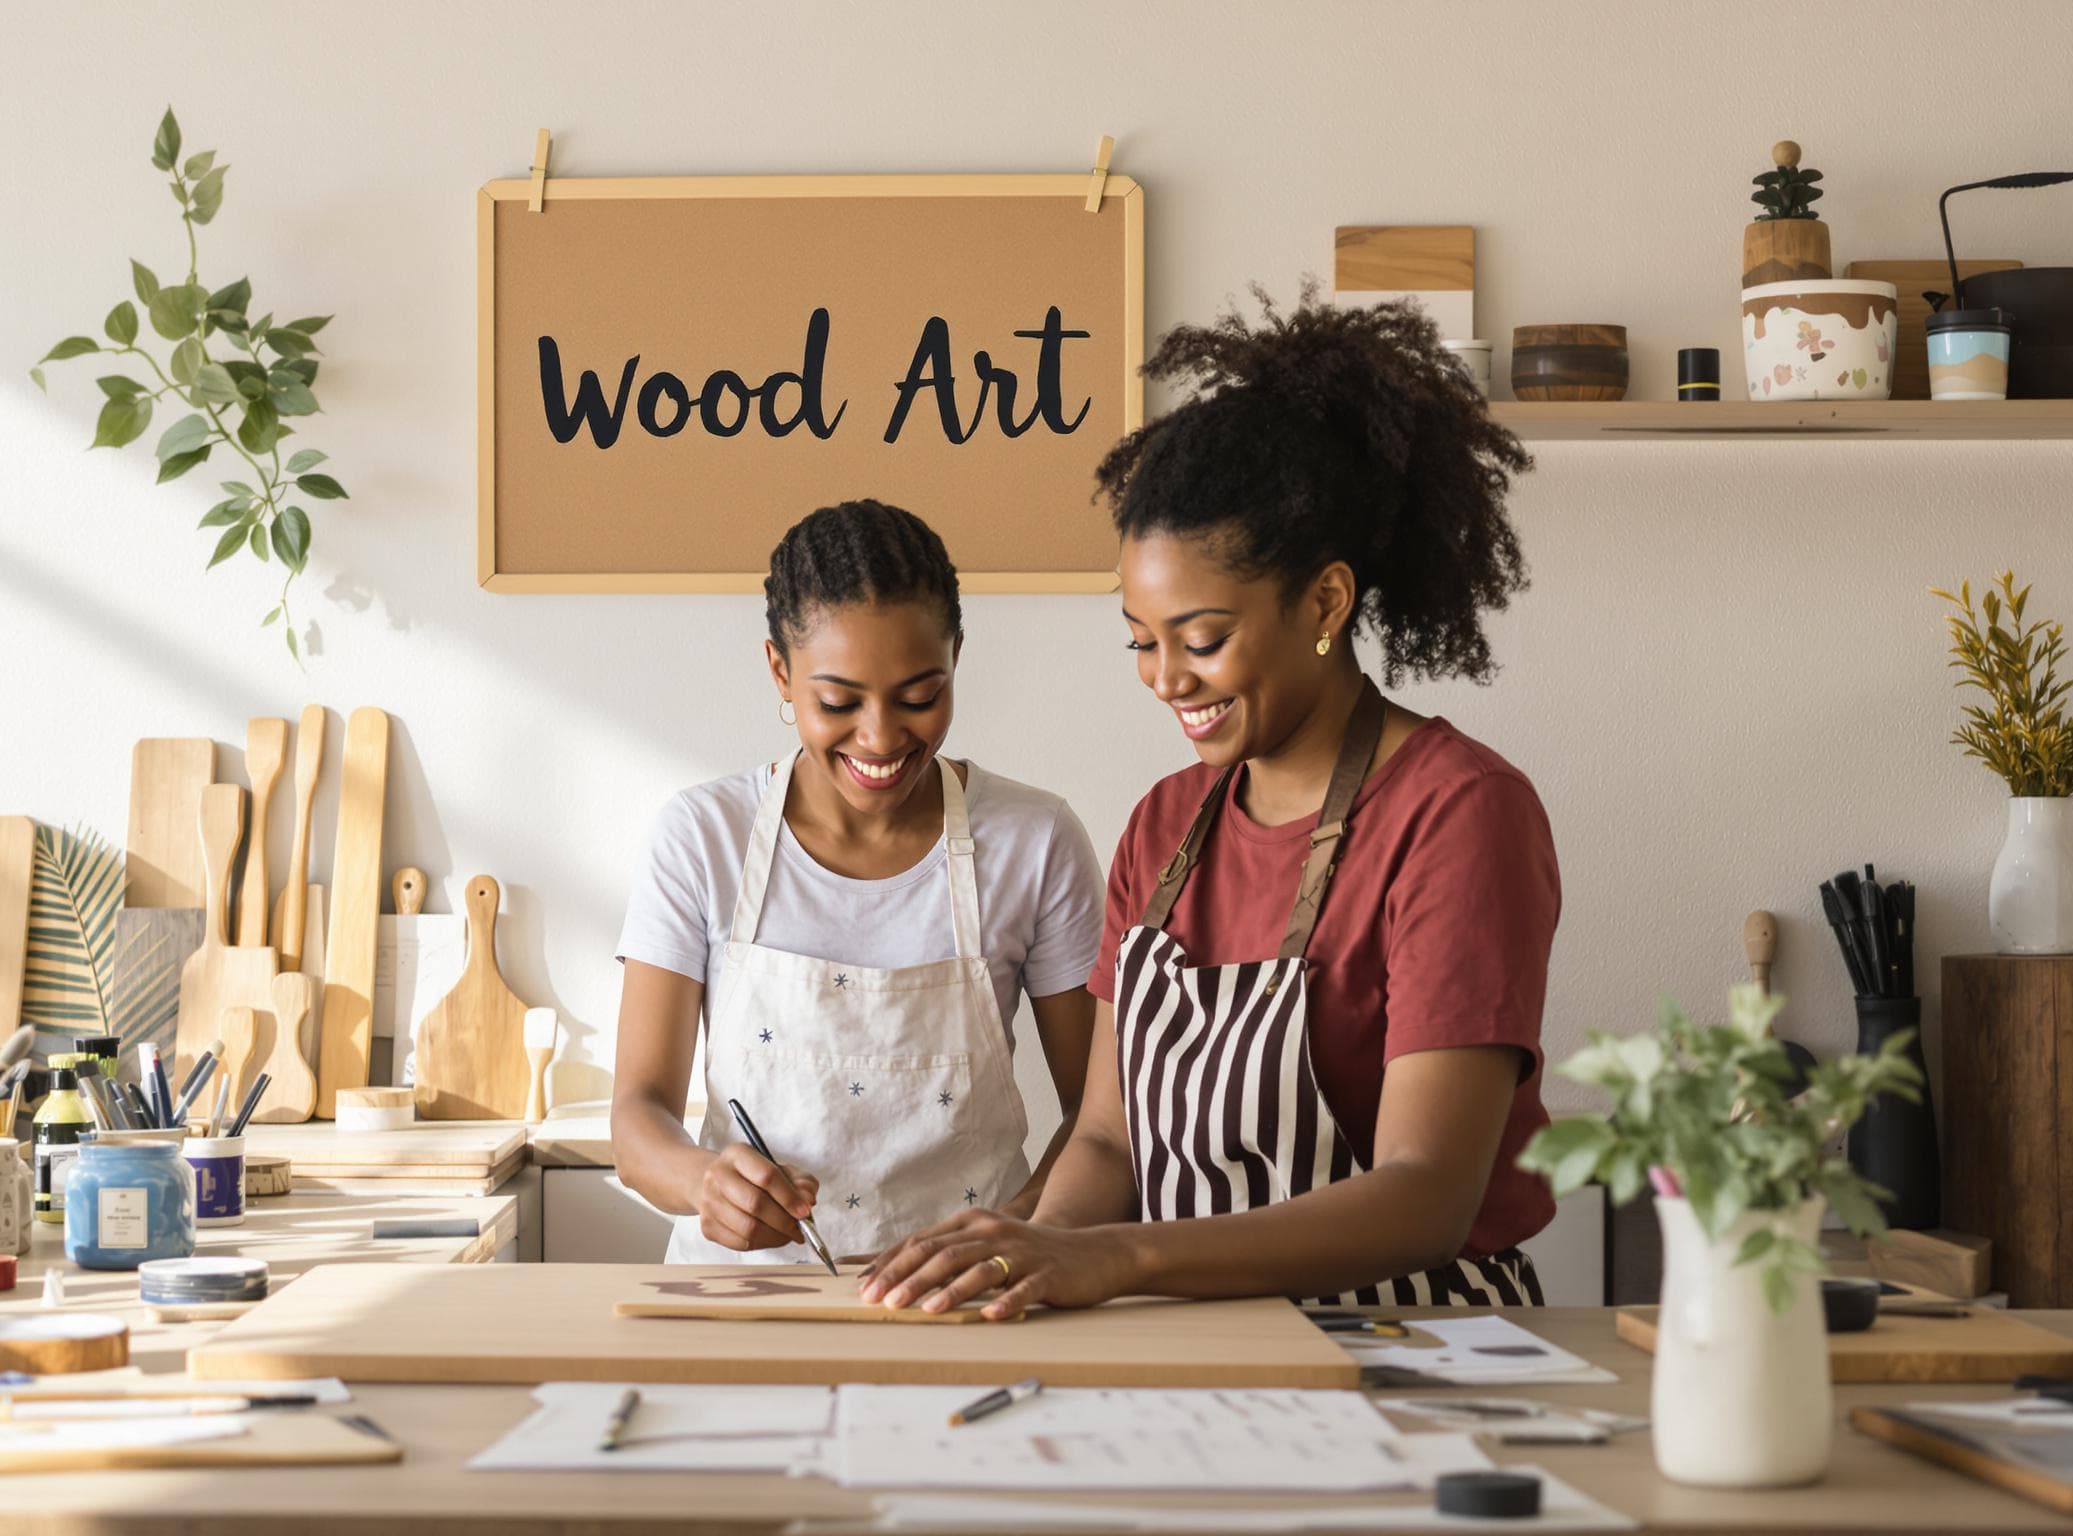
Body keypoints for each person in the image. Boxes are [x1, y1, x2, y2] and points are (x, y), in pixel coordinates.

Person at [861, 290, 1560, 1316]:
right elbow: (1105, 1138)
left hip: (1415, 1341)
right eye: (1142, 642)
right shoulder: (1165, 825)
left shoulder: (1457, 813)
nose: (1165, 680)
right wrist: (1032, 1251)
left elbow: (1425, 1197)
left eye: (1200, 639)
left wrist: (1122, 1261)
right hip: (1207, 1340)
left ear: (1324, 603)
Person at [611, 500, 1105, 1263]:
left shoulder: (1034, 841)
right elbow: (637, 1118)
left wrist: (1021, 1227)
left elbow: (1100, 1115)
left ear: (956, 659)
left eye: (919, 697)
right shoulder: (703, 836)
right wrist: (704, 1181)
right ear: (780, 670)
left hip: (968, 1294)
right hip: (740, 1298)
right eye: (839, 702)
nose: (880, 738)